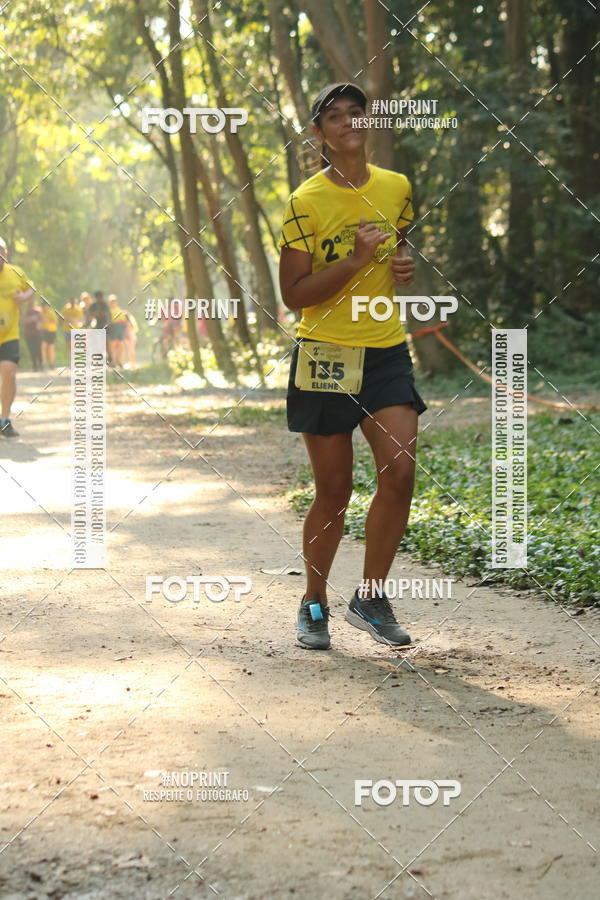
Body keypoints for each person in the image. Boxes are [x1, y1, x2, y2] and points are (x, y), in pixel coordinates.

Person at [278, 83, 427, 650]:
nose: (348, 123)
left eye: (355, 113)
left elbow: (400, 248)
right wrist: (359, 259)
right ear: (319, 134)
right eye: (334, 117)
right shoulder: (305, 202)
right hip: (325, 355)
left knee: (401, 471)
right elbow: (294, 295)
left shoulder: (396, 188)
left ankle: (370, 596)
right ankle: (313, 601)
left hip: (386, 349)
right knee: (334, 489)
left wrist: (401, 263)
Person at [0, 237, 35, 437]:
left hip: (9, 334)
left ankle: (4, 420)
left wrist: (24, 296)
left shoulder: (16, 273)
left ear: (5, 254)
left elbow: (32, 288)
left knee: (9, 372)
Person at [22, 298, 43, 371]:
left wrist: (39, 325)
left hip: (37, 334)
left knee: (38, 349)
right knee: (31, 350)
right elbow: (24, 321)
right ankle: (35, 365)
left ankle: (40, 364)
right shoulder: (26, 312)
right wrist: (31, 320)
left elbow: (41, 320)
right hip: (29, 334)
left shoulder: (38, 311)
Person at [107, 294, 127, 368]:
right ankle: (113, 361)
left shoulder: (119, 309)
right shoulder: (108, 310)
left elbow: (124, 318)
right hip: (113, 327)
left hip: (121, 327)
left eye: (114, 301)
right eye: (111, 301)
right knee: (112, 345)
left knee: (121, 345)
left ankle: (120, 361)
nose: (113, 302)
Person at [40, 303, 58, 369]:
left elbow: (55, 322)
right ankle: (44, 362)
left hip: (51, 331)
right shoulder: (41, 313)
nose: (46, 307)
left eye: (47, 306)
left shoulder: (51, 313)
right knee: (43, 346)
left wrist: (48, 320)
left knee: (51, 348)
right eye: (44, 306)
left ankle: (52, 363)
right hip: (44, 331)